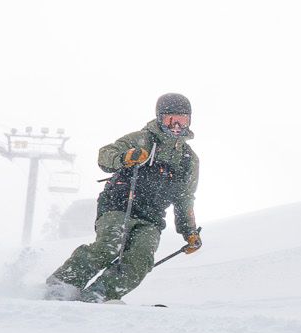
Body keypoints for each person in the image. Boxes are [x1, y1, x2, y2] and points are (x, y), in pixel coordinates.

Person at [45, 92, 202, 302]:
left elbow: (185, 198)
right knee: (110, 246)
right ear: (159, 118)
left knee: (141, 258)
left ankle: (99, 295)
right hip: (119, 203)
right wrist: (124, 157)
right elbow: (105, 155)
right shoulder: (142, 139)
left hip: (152, 217)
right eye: (170, 119)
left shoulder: (188, 159)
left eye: (182, 120)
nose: (176, 126)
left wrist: (189, 232)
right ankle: (62, 284)